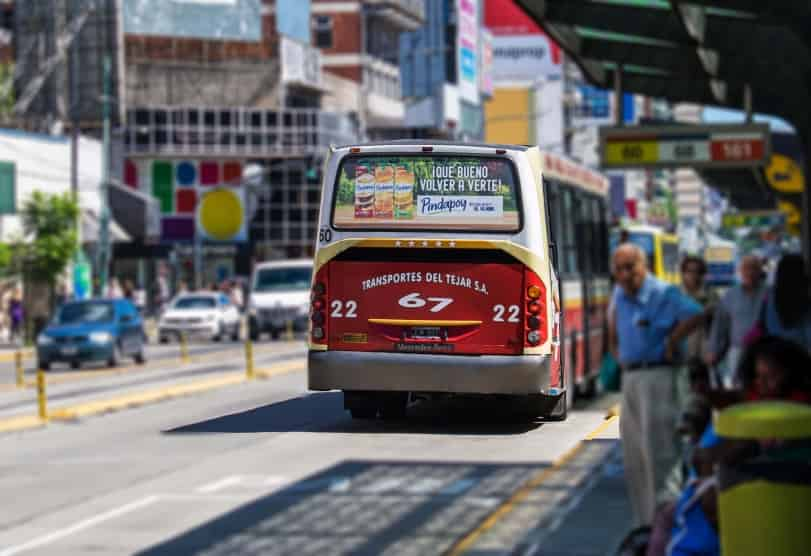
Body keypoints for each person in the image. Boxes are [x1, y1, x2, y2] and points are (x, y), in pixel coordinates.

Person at [610, 243, 704, 528]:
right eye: (619, 269)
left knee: (662, 456)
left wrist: (673, 341)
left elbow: (697, 314)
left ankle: (669, 524)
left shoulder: (664, 292)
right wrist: (618, 355)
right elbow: (613, 327)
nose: (625, 275)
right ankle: (647, 525)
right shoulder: (619, 295)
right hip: (632, 379)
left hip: (660, 376)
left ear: (644, 266)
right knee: (635, 456)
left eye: (630, 268)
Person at [705, 255, 767, 388]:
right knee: (739, 389)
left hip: (765, 352)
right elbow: (720, 325)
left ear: (760, 271)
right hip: (738, 351)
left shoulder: (769, 293)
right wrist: (713, 351)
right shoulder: (731, 295)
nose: (750, 272)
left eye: (754, 268)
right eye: (746, 269)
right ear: (740, 271)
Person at [760, 254, 811, 350]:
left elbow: (768, 327)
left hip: (776, 354)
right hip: (800, 354)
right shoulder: (804, 299)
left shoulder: (770, 296)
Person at [679, 256, 718, 361]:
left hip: (704, 353)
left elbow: (718, 324)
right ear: (683, 273)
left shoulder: (711, 295)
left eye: (698, 272)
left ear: (703, 274)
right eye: (689, 271)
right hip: (682, 353)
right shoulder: (675, 295)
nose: (693, 275)